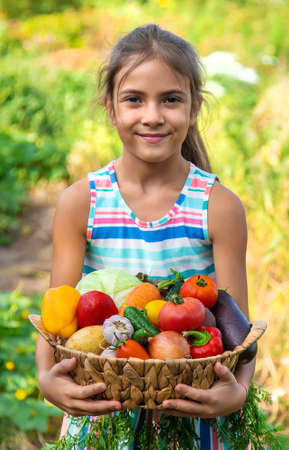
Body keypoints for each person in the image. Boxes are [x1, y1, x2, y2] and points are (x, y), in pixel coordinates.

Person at [36, 23, 254, 449]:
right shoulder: (82, 201)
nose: (152, 115)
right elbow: (56, 317)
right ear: (110, 107)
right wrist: (47, 379)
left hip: (193, 412)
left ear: (194, 108)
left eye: (170, 99)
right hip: (104, 409)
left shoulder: (218, 206)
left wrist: (238, 391)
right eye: (134, 99)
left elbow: (237, 330)